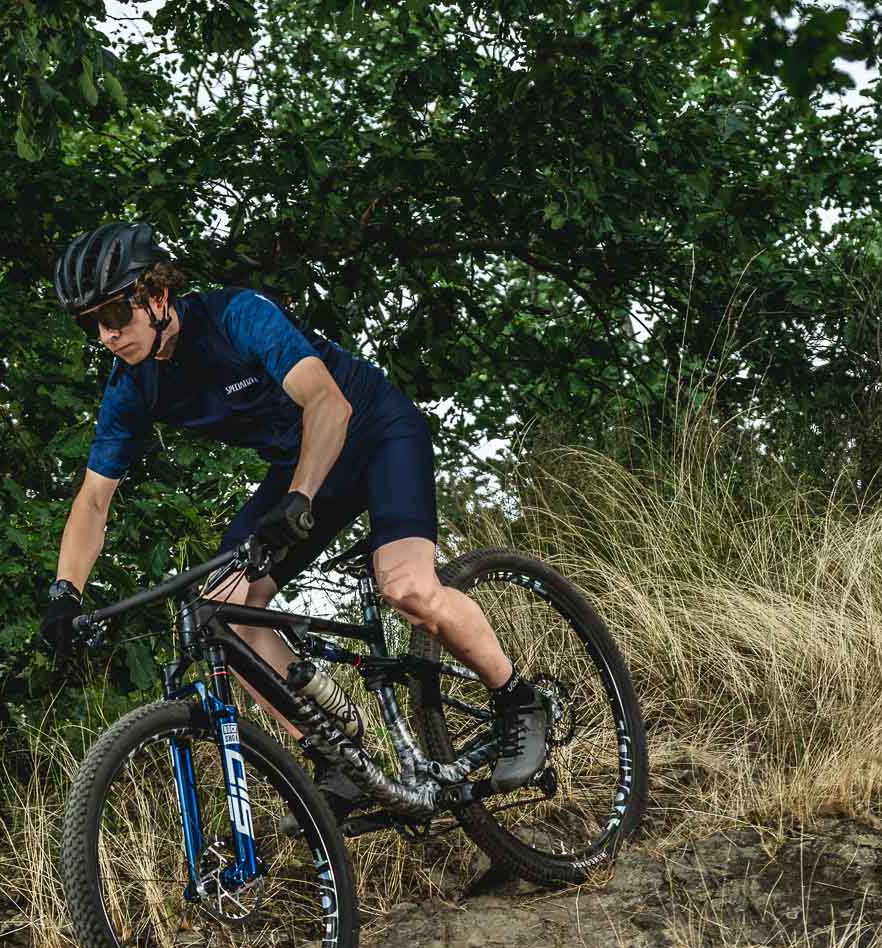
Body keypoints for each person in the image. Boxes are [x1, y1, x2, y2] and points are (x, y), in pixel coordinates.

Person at [38, 222, 551, 812]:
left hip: (373, 431)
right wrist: (65, 593)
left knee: (407, 587)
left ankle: (519, 699)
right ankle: (337, 749)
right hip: (301, 466)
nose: (106, 334)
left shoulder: (237, 316)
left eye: (114, 314)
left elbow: (327, 402)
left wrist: (301, 497)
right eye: (91, 324)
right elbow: (93, 500)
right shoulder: (132, 386)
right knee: (221, 612)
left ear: (157, 294)